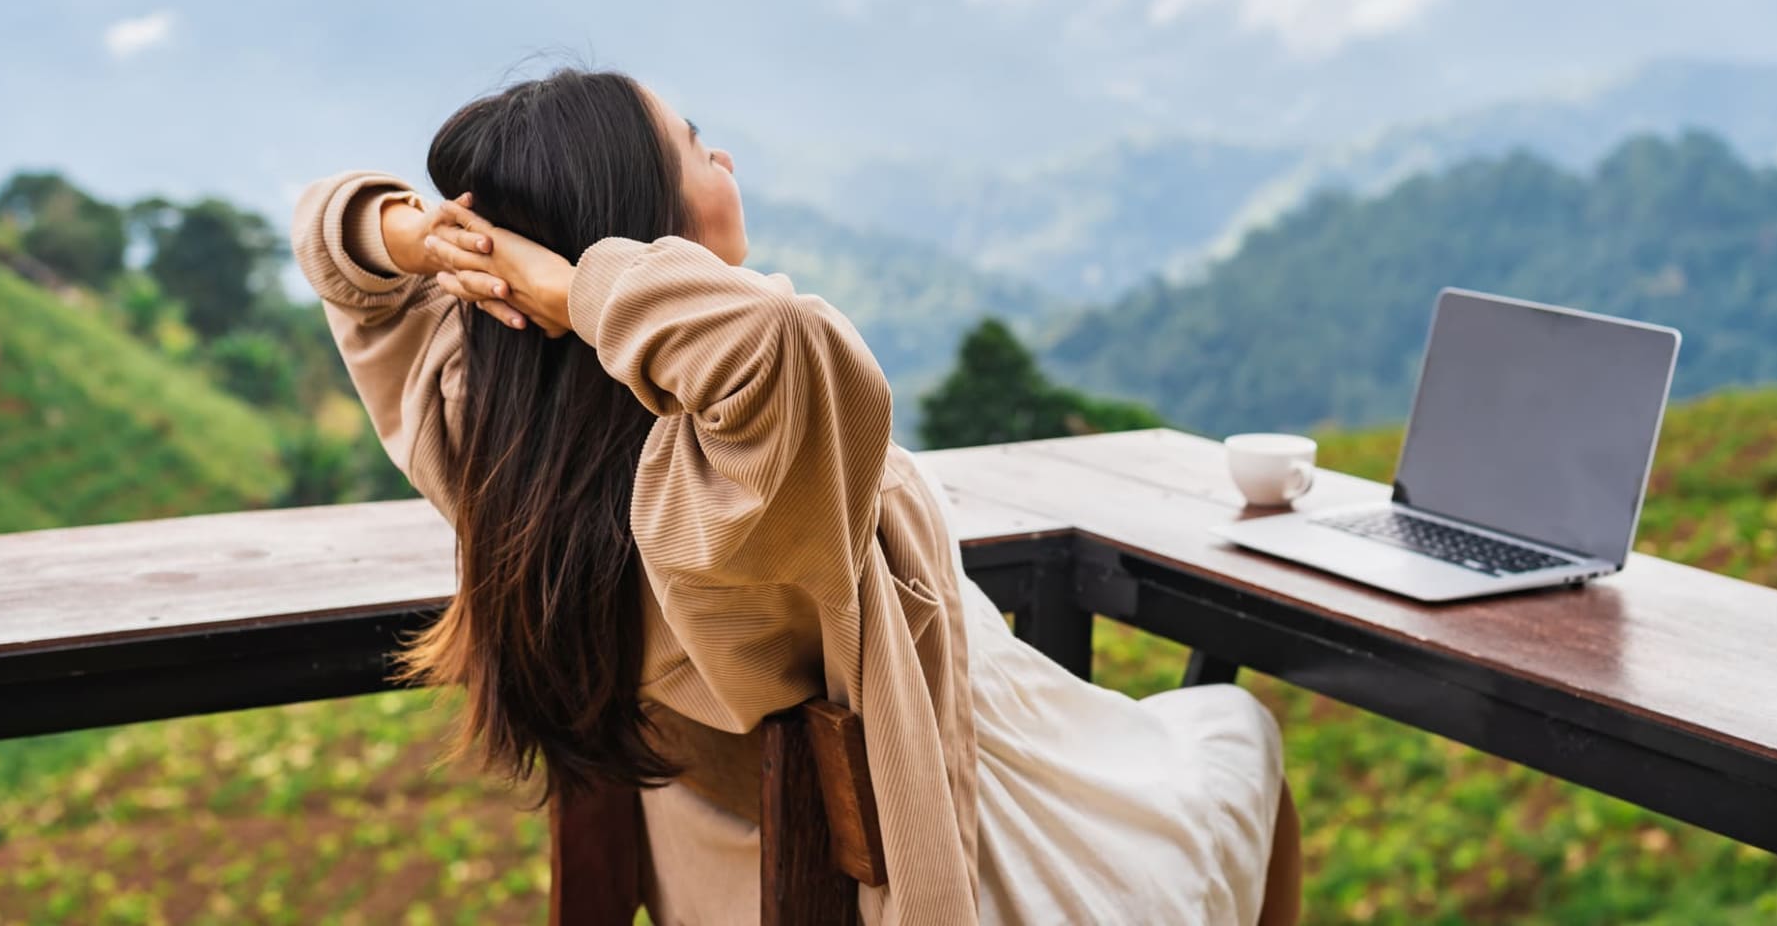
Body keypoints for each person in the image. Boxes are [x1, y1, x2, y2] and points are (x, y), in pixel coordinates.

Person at [292, 67, 1301, 925]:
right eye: (694, 149)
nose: (724, 161)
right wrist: (574, 292)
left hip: (731, 878)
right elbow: (791, 344)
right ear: (634, 239)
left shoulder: (493, 445)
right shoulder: (707, 497)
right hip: (980, 839)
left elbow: (330, 238)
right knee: (1228, 733)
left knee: (1191, 732)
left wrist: (422, 241)